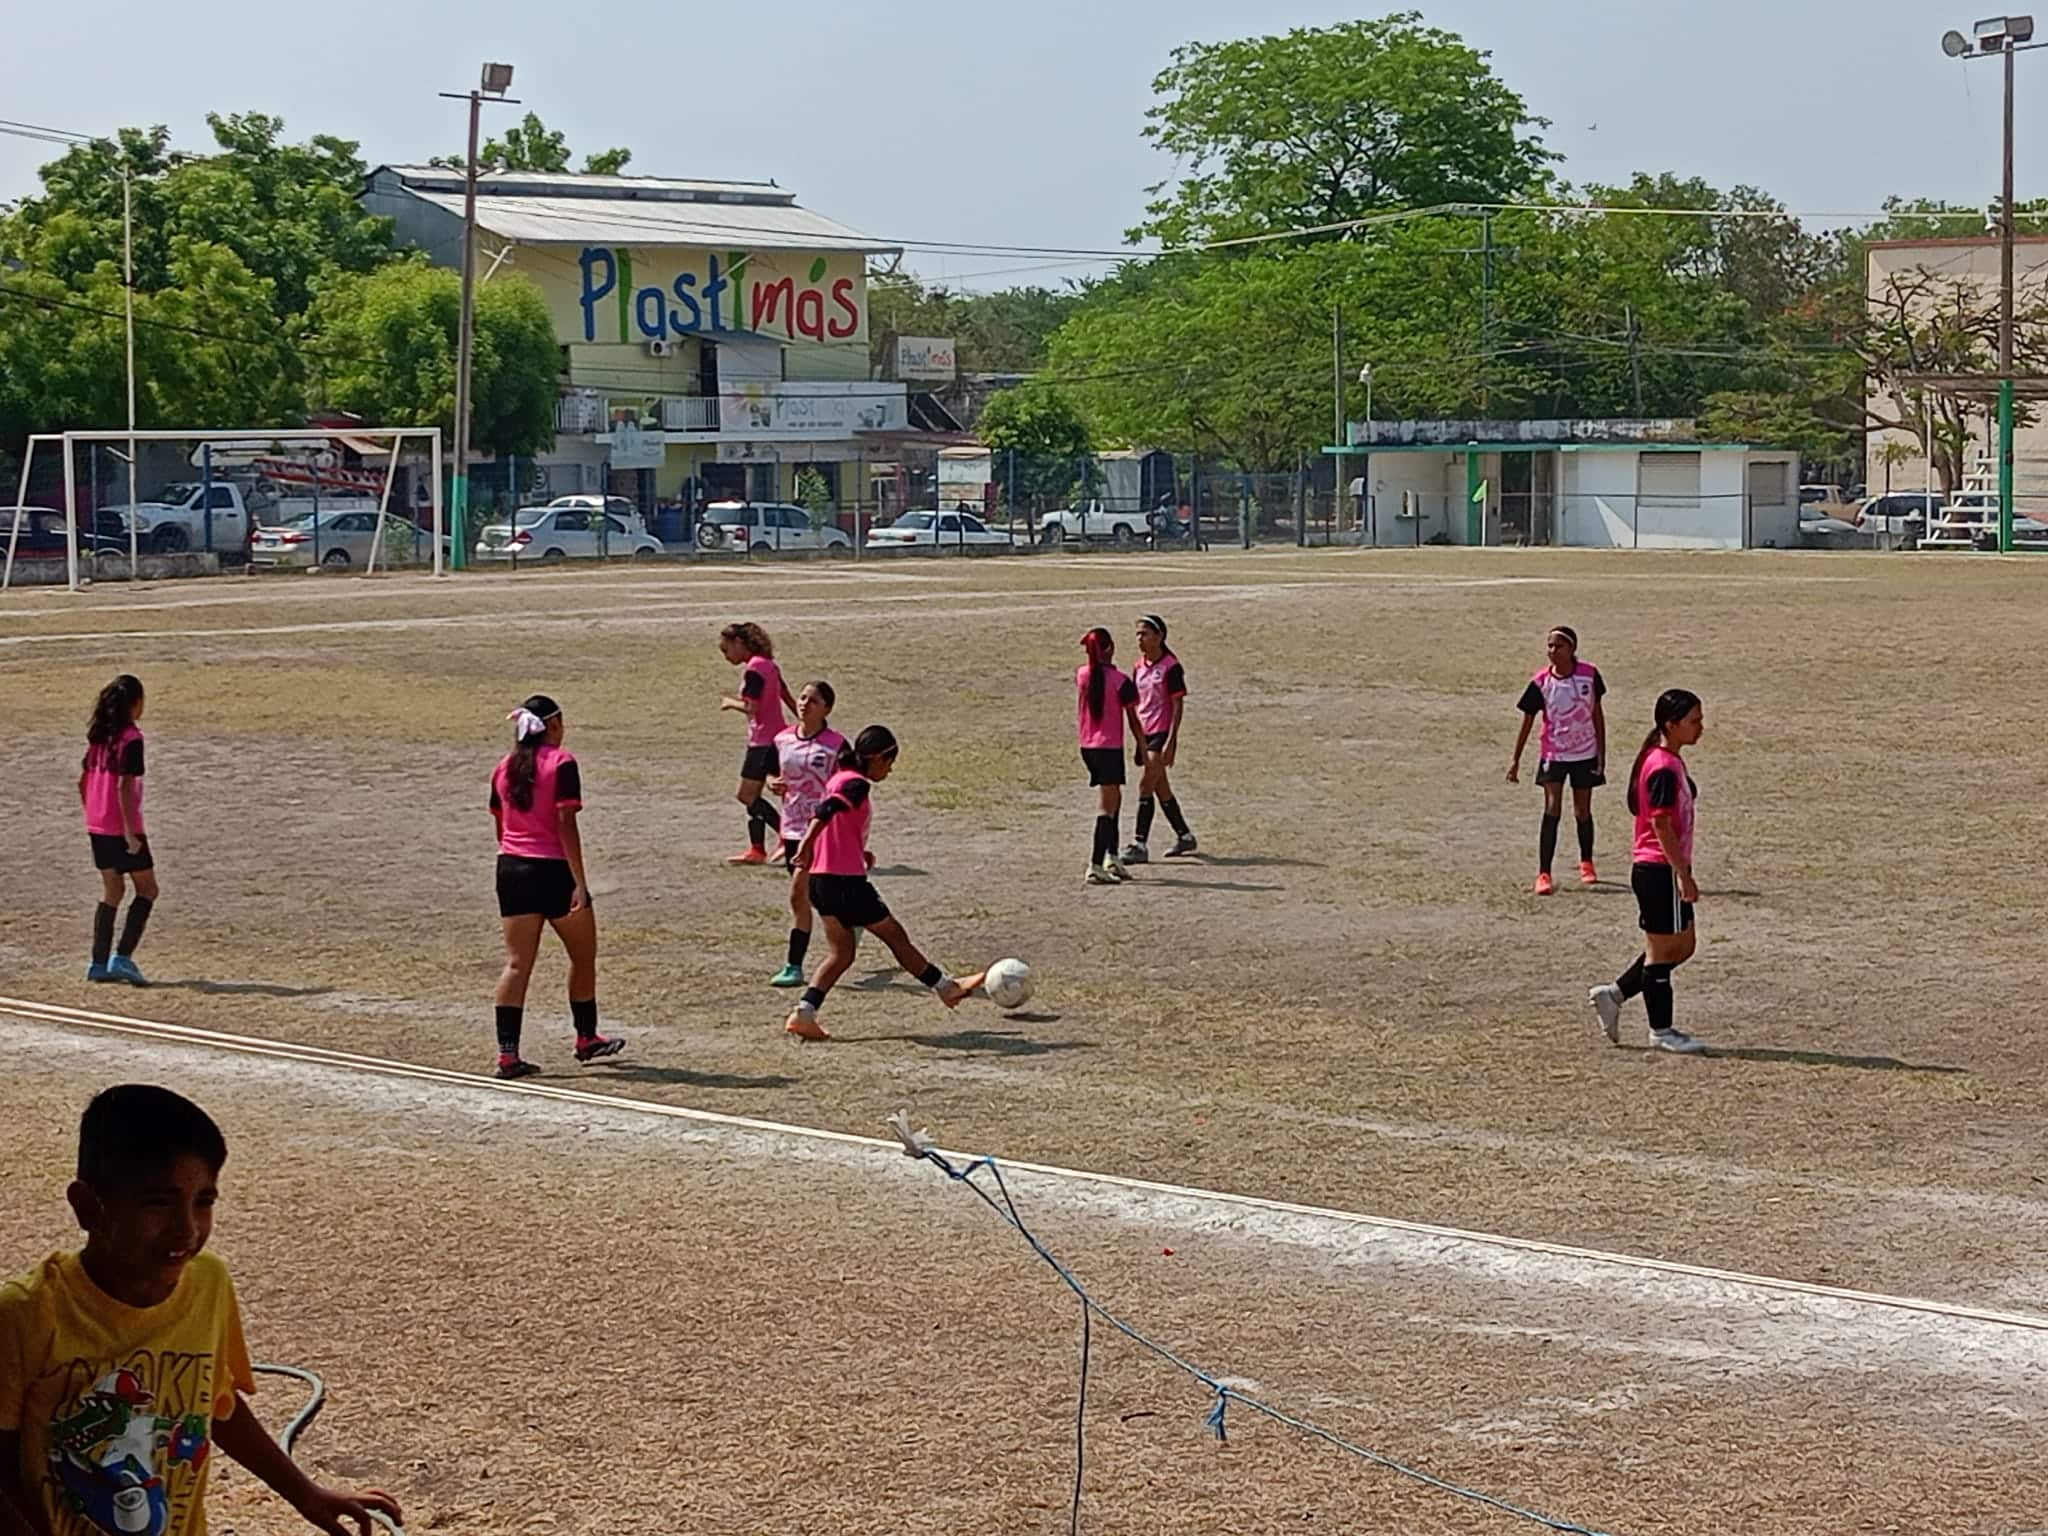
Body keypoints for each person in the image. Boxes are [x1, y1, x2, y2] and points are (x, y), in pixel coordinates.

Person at [0, 1085, 403, 1536]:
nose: (186, 1229)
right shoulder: (25, 1314)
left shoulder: (208, 1283)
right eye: (158, 1203)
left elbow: (216, 1406)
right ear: (87, 1207)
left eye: (204, 1201)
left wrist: (306, 1494)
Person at [783, 726, 983, 1040]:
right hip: (845, 883)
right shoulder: (856, 783)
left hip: (821, 881)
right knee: (895, 936)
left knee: (842, 953)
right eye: (889, 763)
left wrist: (857, 851)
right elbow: (827, 810)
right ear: (876, 757)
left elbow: (836, 822)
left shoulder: (838, 777)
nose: (889, 770)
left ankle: (804, 1014)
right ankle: (947, 988)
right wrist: (807, 844)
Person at [489, 696, 624, 1080]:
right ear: (555, 725)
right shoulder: (563, 763)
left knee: (517, 964)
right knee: (583, 956)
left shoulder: (503, 767)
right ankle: (586, 1037)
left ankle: (507, 1054)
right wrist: (579, 882)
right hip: (552, 870)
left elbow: (500, 824)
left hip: (511, 869)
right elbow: (566, 823)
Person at [1588, 689, 1709, 1054]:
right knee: (1661, 951)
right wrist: (1683, 875)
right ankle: (1661, 1030)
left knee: (1683, 945)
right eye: (1694, 721)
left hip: (1664, 869)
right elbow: (1660, 825)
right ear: (1670, 725)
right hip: (1658, 869)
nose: (1701, 728)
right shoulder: (1661, 766)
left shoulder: (1668, 759)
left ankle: (1615, 993)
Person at [1507, 626, 1608, 895]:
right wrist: (1516, 759)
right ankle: (1544, 873)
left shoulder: (1589, 675)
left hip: (1584, 753)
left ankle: (1586, 862)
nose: (1552, 651)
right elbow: (1527, 721)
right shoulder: (1541, 682)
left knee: (1582, 810)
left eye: (1558, 646)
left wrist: (1601, 753)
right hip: (1554, 753)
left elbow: (1597, 716)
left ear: (1572, 649)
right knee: (1552, 807)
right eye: (1549, 646)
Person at [768, 681, 848, 988]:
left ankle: (793, 965)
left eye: (813, 700)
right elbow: (774, 773)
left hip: (822, 829)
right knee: (814, 896)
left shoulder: (836, 745)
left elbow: (848, 784)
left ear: (826, 708)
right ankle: (850, 921)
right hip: (792, 827)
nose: (804, 704)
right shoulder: (783, 740)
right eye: (802, 698)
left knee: (798, 894)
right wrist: (773, 784)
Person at [80, 674, 157, 986]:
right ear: (135, 704)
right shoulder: (132, 739)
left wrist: (93, 812)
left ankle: (98, 963)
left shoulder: (99, 738)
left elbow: (82, 781)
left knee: (113, 891)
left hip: (97, 825)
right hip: (122, 829)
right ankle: (122, 957)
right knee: (148, 889)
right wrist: (128, 833)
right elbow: (126, 786)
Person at [718, 622, 799, 866]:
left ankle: (785, 836)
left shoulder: (753, 670)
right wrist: (802, 718)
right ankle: (757, 849)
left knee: (746, 795)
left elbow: (751, 707)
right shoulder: (769, 665)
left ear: (739, 643)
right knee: (771, 792)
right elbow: (784, 693)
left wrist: (730, 702)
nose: (726, 656)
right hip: (779, 737)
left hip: (762, 742)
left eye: (726, 650)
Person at [1076, 627, 1150, 886]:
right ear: (1110, 648)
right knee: (1108, 806)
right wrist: (1142, 748)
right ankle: (1096, 863)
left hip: (1088, 746)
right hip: (1109, 747)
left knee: (1112, 796)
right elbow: (1133, 720)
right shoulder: (1120, 681)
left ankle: (1112, 856)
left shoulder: (1082, 675)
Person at [1124, 615, 1197, 864]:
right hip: (1145, 734)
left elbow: (1177, 704)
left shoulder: (1170, 667)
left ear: (1159, 636)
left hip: (1161, 733)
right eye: (1138, 634)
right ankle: (1184, 835)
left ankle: (1139, 844)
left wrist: (1171, 741)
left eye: (1144, 634)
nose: (1139, 639)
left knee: (1145, 786)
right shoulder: (1138, 667)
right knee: (1160, 787)